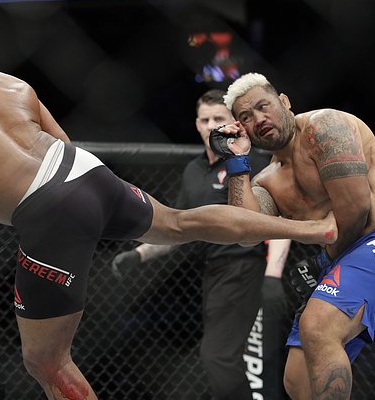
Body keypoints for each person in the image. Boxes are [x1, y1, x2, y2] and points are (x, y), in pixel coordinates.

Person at [0, 16, 336, 400]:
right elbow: (57, 149)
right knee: (180, 222)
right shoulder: (9, 82)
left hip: (48, 208)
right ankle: (314, 229)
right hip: (84, 173)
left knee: (45, 361)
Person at [213, 73, 375, 400]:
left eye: (263, 106)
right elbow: (246, 232)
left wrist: (323, 260)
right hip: (342, 262)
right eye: (246, 117)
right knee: (298, 381)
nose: (258, 119)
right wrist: (236, 161)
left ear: (283, 101)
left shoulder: (324, 128)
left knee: (317, 327)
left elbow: (356, 208)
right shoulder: (268, 180)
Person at [111, 89, 291, 400]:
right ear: (196, 124)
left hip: (249, 268)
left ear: (232, 124)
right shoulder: (193, 171)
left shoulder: (251, 161)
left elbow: (276, 219)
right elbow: (180, 229)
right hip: (213, 275)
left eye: (218, 119)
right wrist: (139, 254)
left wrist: (273, 275)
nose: (211, 126)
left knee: (230, 359)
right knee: (220, 360)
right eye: (205, 119)